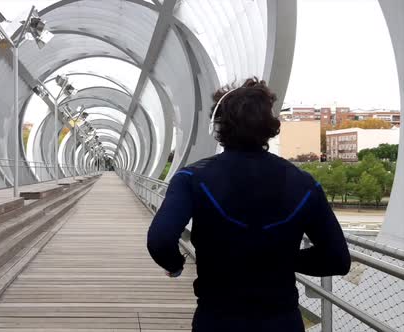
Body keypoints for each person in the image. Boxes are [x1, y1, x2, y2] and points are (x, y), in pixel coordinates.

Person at [147, 78, 351, 332]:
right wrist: (282, 260)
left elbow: (160, 240)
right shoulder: (304, 183)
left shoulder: (192, 178)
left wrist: (176, 265)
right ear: (270, 127)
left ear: (217, 126)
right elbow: (337, 259)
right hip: (282, 319)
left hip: (217, 318)